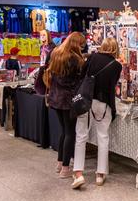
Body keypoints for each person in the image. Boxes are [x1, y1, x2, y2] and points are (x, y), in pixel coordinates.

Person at [72, 38, 122, 189]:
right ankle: (100, 174)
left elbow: (81, 77)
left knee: (81, 136)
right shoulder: (117, 66)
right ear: (115, 49)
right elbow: (112, 86)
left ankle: (78, 173)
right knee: (103, 137)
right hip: (104, 103)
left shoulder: (92, 57)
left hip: (86, 100)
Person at [45, 32, 85, 179]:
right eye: (81, 45)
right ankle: (66, 168)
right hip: (68, 100)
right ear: (76, 44)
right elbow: (77, 81)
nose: (82, 47)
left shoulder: (55, 53)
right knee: (70, 133)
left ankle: (60, 162)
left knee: (64, 131)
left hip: (55, 98)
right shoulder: (75, 59)